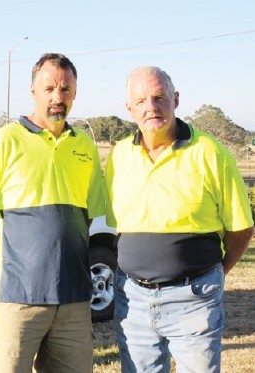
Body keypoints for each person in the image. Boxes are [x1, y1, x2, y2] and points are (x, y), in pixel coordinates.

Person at [105, 66, 254, 373]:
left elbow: (241, 227)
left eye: (159, 97)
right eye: (142, 100)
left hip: (194, 300)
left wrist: (213, 273)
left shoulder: (210, 153)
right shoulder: (119, 157)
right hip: (132, 300)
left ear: (175, 99)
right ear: (129, 108)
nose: (151, 107)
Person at [0, 53, 105, 373]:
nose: (58, 98)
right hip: (19, 297)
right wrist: (2, 266)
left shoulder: (84, 146)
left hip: (73, 300)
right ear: (32, 91)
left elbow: (90, 215)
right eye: (49, 89)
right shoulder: (2, 143)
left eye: (66, 89)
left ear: (75, 92)